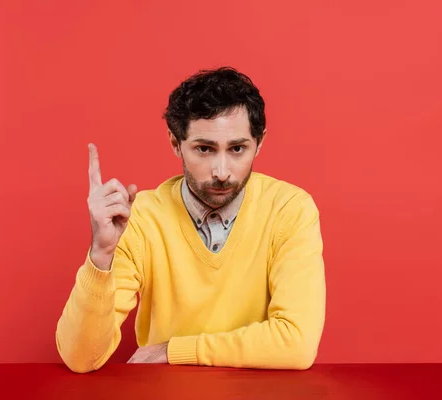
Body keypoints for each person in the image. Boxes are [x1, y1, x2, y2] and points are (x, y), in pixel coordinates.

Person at [56, 67, 326, 373]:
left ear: (259, 142)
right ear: (175, 143)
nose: (222, 171)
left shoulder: (289, 210)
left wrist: (175, 350)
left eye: (237, 149)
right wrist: (101, 255)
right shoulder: (141, 217)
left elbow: (297, 344)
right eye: (204, 149)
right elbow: (81, 358)